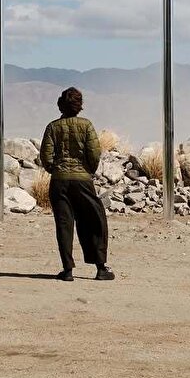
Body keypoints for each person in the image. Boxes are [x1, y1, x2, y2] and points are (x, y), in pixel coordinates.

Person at [39, 87, 114, 282]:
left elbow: (46, 157)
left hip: (59, 182)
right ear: (79, 106)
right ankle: (100, 268)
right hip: (82, 181)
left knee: (64, 224)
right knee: (94, 220)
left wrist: (56, 170)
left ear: (60, 105)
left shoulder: (52, 127)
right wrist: (87, 171)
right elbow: (94, 153)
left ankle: (67, 270)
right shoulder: (87, 125)